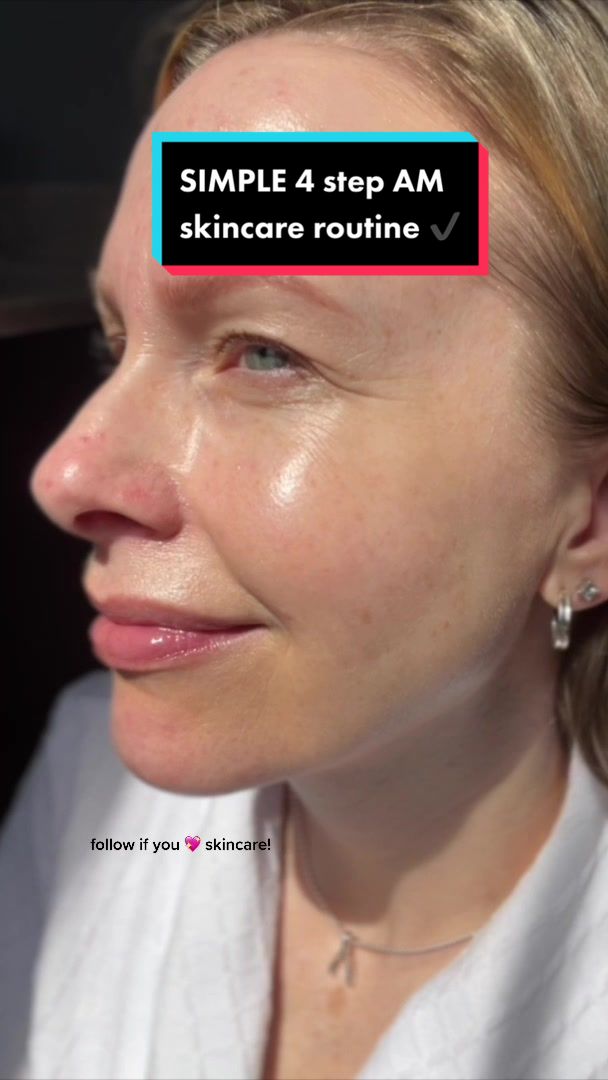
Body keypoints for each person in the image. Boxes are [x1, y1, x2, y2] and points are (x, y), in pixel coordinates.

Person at [2, 1, 607, 1078]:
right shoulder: (94, 790)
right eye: (116, 344)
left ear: (592, 516)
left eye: (265, 354)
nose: (67, 475)